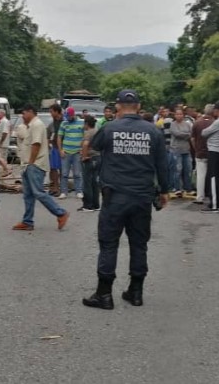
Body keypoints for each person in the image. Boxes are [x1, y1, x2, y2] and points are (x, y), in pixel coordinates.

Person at [83, 89, 169, 310]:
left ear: (118, 107)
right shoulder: (153, 131)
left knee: (109, 244)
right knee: (139, 244)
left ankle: (104, 295)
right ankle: (136, 292)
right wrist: (164, 191)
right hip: (142, 196)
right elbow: (162, 164)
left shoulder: (110, 128)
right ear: (139, 107)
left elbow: (94, 146)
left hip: (115, 196)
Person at [12, 105, 69, 231]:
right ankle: (27, 221)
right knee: (28, 195)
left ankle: (60, 213)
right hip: (27, 164)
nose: (22, 115)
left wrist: (31, 162)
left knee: (38, 192)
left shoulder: (37, 124)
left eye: (24, 112)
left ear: (31, 112)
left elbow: (36, 144)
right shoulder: (30, 126)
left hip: (35, 164)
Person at [58, 107, 84, 199]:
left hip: (77, 152)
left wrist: (82, 149)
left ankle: (79, 191)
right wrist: (60, 150)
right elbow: (59, 137)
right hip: (66, 151)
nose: (67, 118)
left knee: (77, 173)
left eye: (69, 116)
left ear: (73, 115)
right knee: (64, 173)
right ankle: (64, 192)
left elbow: (85, 136)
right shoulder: (64, 123)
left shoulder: (82, 122)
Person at [191, 104, 214, 204]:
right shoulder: (215, 123)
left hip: (200, 152)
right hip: (212, 152)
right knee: (212, 175)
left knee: (200, 176)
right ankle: (212, 195)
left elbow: (192, 138)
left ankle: (200, 197)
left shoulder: (197, 123)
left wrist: (196, 148)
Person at [170, 108, 195, 198]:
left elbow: (191, 134)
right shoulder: (173, 124)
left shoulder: (187, 124)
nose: (179, 116)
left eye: (181, 114)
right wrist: (186, 134)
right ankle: (177, 189)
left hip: (186, 150)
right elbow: (177, 134)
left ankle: (188, 188)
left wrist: (185, 134)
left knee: (188, 169)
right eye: (177, 114)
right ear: (175, 115)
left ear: (183, 115)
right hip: (176, 150)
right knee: (178, 170)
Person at [79, 115, 101, 212]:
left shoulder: (88, 133)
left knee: (87, 183)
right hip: (98, 157)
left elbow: (85, 144)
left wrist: (84, 156)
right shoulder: (97, 131)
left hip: (90, 158)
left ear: (87, 124)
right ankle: (96, 204)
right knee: (94, 183)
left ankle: (88, 205)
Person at [46, 104, 64, 196]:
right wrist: (48, 144)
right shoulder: (51, 125)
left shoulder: (65, 122)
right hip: (54, 148)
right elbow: (47, 136)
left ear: (57, 112)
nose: (50, 113)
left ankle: (62, 188)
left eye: (51, 111)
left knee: (62, 169)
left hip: (64, 148)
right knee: (53, 169)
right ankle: (55, 187)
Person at [0, 109, 12, 177]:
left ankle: (7, 170)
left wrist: (1, 142)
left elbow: (5, 132)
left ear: (3, 114)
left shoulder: (5, 121)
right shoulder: (0, 121)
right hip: (0, 142)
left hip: (3, 143)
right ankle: (5, 171)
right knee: (3, 158)